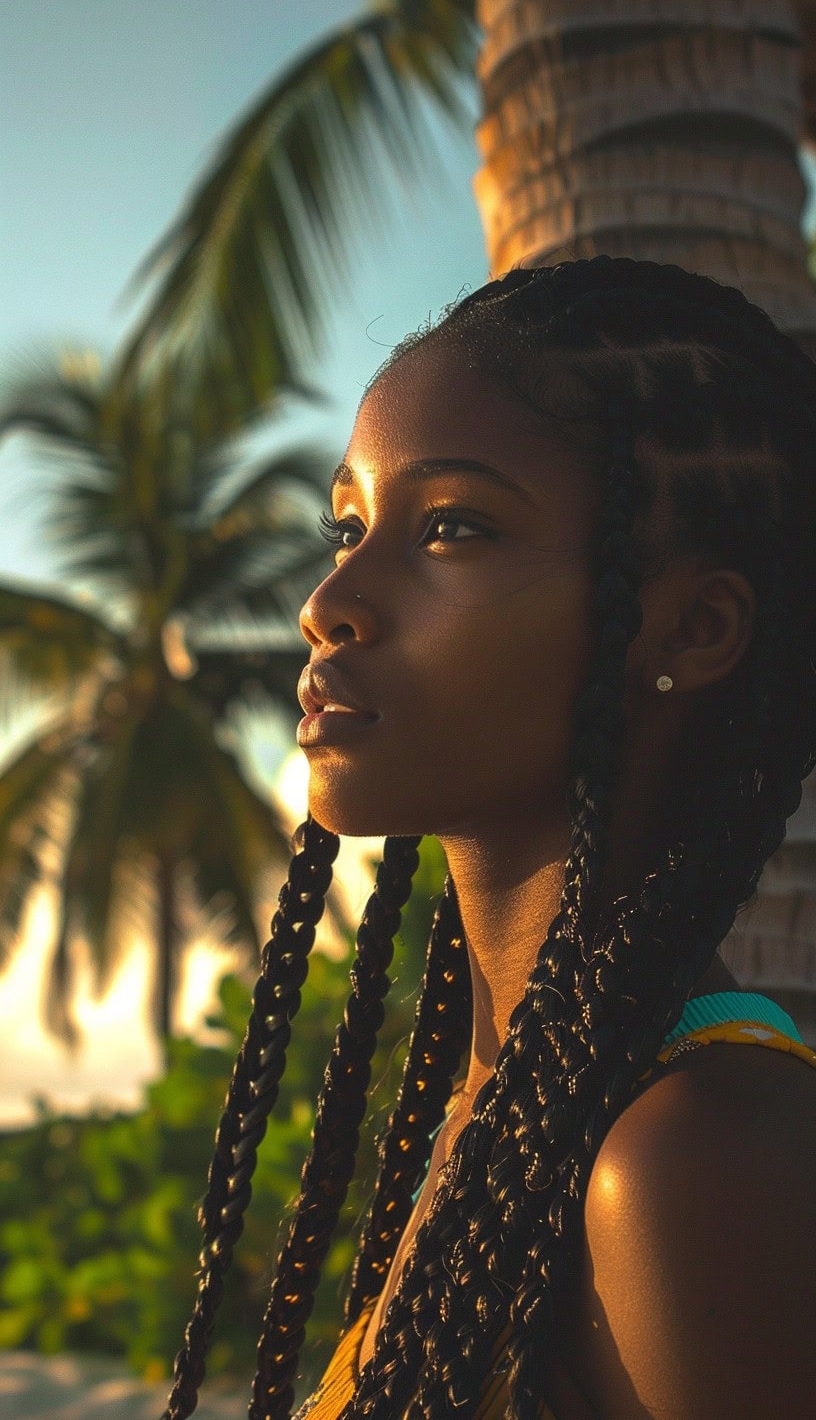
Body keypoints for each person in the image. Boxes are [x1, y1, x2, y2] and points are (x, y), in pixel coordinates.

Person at [160, 257, 816, 1420]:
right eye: (349, 522)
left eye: (453, 526)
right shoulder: (516, 1101)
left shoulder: (688, 1164)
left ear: (696, 626)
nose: (328, 600)